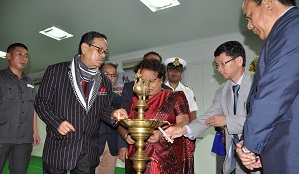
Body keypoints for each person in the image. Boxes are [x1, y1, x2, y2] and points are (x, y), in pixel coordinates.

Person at [34, 31, 127, 174]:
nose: (103, 55)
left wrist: (114, 113)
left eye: (105, 52)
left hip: (88, 149)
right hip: (59, 145)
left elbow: (103, 110)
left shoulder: (104, 81)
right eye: (99, 50)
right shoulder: (56, 71)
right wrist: (57, 122)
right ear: (84, 48)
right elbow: (41, 102)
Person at [165, 41, 261, 174]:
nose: (220, 69)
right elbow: (208, 118)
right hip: (233, 159)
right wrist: (183, 129)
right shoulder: (222, 90)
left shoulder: (259, 84)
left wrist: (227, 120)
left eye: (223, 63)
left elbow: (262, 120)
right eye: (217, 65)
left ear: (239, 60)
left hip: (256, 156)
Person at [235, 0, 299, 173]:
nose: (249, 26)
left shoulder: (293, 27)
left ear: (268, 3)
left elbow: (275, 93)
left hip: (290, 149)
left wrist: (249, 145)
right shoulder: (283, 33)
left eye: (249, 17)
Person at [119, 59, 195, 174]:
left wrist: (163, 134)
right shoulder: (135, 101)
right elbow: (122, 124)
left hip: (165, 159)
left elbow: (184, 122)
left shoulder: (174, 97)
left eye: (152, 80)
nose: (147, 85)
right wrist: (126, 135)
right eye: (143, 81)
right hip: (136, 158)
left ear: (161, 79)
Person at [0, 43, 40, 174]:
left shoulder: (30, 82)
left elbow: (33, 107)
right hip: (2, 136)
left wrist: (35, 131)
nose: (23, 58)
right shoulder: (1, 77)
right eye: (19, 54)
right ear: (8, 56)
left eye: (26, 56)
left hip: (24, 138)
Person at [95, 62, 127, 174]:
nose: (110, 78)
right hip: (93, 146)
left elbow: (121, 124)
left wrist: (122, 145)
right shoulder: (90, 96)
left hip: (112, 147)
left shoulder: (118, 99)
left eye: (113, 75)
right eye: (106, 74)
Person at [164, 57, 198, 121]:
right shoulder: (161, 90)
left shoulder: (188, 91)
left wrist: (193, 129)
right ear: (167, 73)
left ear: (181, 74)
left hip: (183, 126)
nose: (174, 73)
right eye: (171, 70)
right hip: (164, 126)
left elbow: (192, 113)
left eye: (177, 71)